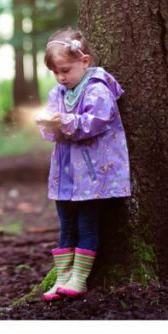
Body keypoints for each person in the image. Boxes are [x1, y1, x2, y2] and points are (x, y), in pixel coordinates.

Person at [34, 28, 131, 300]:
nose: (61, 77)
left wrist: (64, 121)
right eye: (55, 72)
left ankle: (79, 279)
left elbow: (93, 124)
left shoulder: (98, 89)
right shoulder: (59, 93)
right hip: (65, 172)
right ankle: (62, 279)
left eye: (65, 70)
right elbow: (53, 133)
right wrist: (48, 124)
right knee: (66, 226)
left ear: (84, 61)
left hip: (91, 174)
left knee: (88, 225)